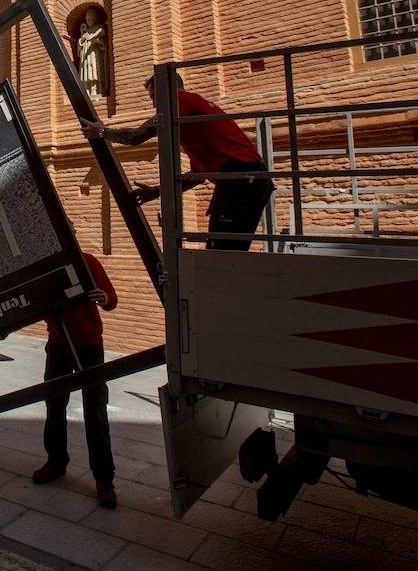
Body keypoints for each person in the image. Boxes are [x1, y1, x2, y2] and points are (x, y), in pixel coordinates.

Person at [83, 73, 273, 251]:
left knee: (222, 255)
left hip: (241, 181)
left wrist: (102, 132)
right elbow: (196, 177)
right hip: (247, 181)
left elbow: (135, 137)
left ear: (166, 90)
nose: (154, 104)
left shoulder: (180, 102)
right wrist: (157, 191)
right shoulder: (191, 116)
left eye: (154, 97)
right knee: (225, 251)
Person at [29, 250, 120, 508]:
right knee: (54, 404)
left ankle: (104, 479)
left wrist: (104, 298)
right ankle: (56, 462)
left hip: (89, 345)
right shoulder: (43, 266)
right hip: (57, 344)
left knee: (95, 410)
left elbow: (111, 298)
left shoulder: (87, 261)